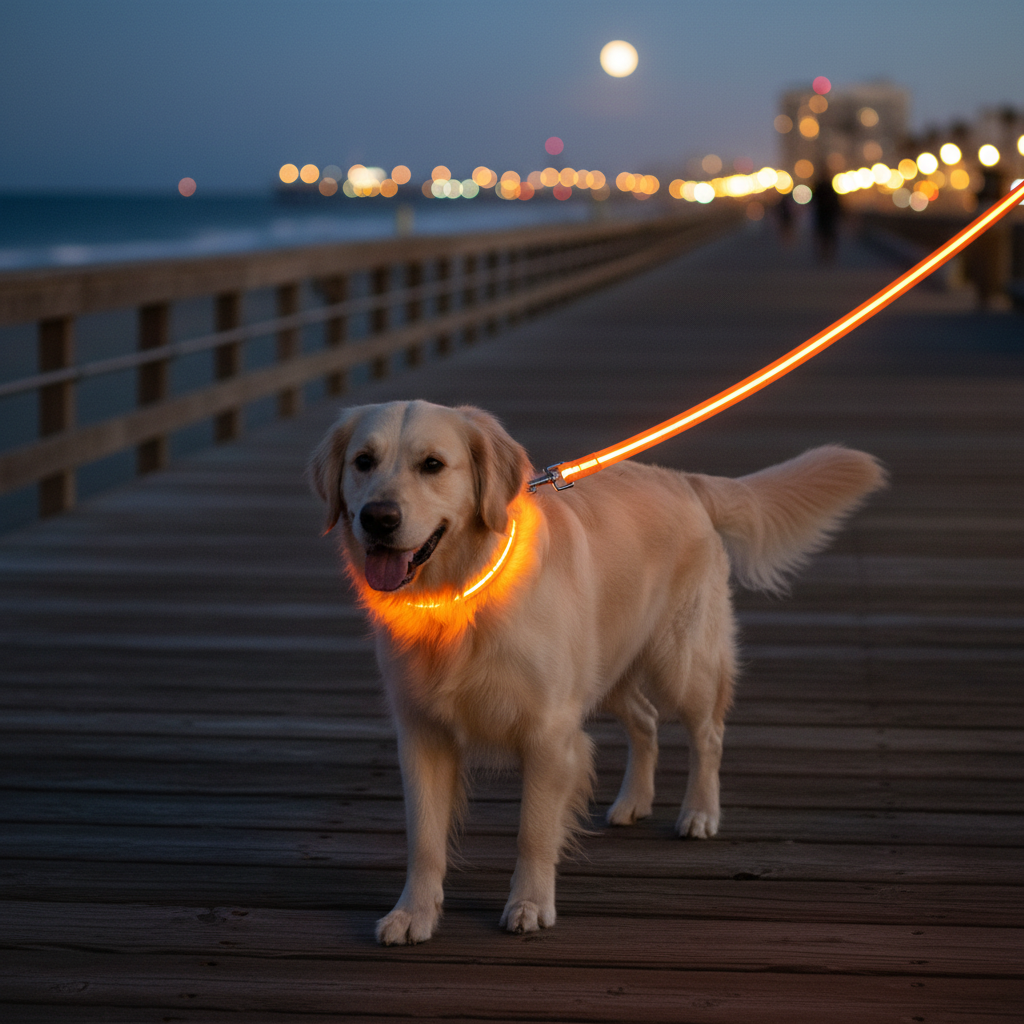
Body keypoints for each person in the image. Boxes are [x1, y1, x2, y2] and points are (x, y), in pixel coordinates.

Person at [811, 174, 841, 262]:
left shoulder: (819, 187)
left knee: (824, 234)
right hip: (825, 214)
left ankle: (824, 253)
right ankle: (827, 254)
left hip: (824, 214)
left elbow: (814, 199)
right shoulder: (829, 188)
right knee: (827, 234)